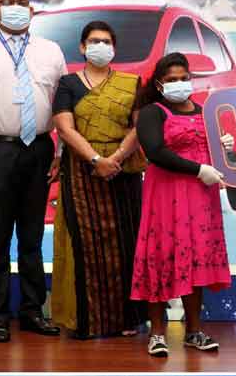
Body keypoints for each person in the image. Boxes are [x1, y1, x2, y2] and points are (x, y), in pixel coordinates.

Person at [0, 0, 66, 342]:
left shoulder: (50, 50)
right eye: (8, 2)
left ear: (31, 9)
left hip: (40, 150)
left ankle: (32, 311)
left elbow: (63, 106)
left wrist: (59, 153)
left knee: (32, 237)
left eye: (22, 3)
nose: (16, 8)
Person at [131, 53, 233, 357]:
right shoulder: (152, 112)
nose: (179, 83)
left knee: (197, 256)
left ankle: (194, 331)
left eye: (184, 78)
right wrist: (198, 170)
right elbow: (155, 151)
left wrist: (224, 149)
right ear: (159, 84)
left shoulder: (205, 111)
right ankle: (157, 333)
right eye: (171, 79)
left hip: (201, 197)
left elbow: (215, 154)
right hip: (165, 194)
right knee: (161, 255)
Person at [51, 21, 147, 338]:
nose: (100, 46)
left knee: (126, 241)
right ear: (82, 47)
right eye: (94, 41)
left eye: (106, 41)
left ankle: (127, 319)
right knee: (84, 245)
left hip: (123, 170)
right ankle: (87, 321)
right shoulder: (68, 84)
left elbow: (138, 126)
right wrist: (96, 160)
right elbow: (65, 128)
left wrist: (115, 158)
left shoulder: (131, 83)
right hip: (82, 171)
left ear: (114, 48)